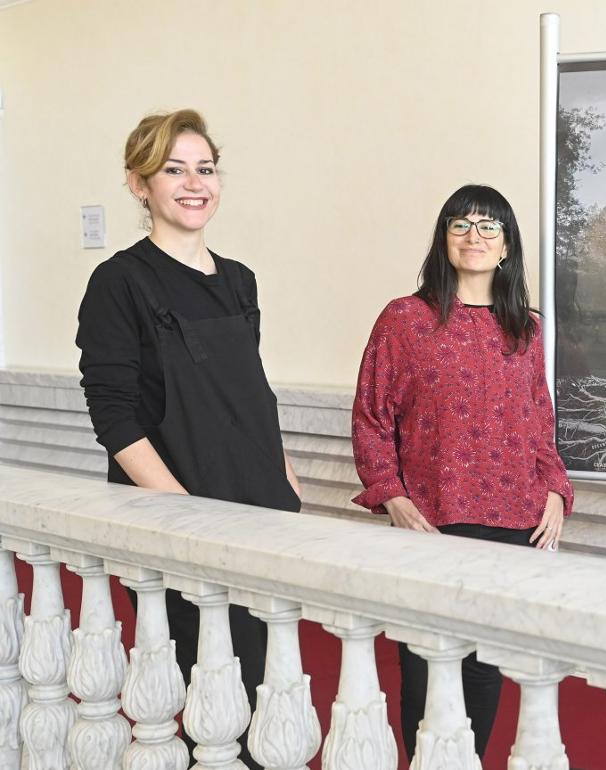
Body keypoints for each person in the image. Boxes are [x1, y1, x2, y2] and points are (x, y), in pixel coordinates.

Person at [76, 109, 301, 768]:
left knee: (273, 700)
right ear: (138, 184)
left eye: (204, 168)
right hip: (179, 532)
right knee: (208, 715)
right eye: (173, 169)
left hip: (262, 520)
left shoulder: (240, 280)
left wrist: (285, 485)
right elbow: (115, 418)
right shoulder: (119, 283)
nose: (193, 182)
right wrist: (187, 518)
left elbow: (255, 395)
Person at [352, 183, 574, 759]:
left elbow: (538, 418)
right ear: (443, 238)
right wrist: (391, 496)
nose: (474, 236)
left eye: (488, 227)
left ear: (506, 246)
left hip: (514, 521)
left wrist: (556, 489)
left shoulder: (525, 326)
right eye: (461, 224)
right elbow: (372, 416)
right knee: (425, 666)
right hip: (434, 520)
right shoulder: (405, 318)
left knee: (484, 671)